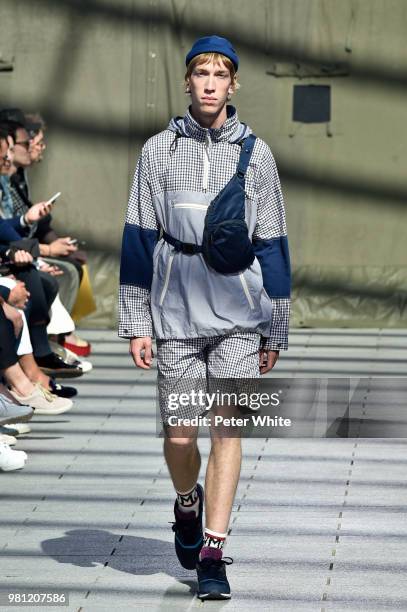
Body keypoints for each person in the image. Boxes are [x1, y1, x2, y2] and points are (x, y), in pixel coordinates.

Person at [119, 35, 291, 600]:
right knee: (178, 434)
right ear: (188, 81)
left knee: (228, 429)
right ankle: (186, 503)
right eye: (201, 73)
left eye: (221, 74)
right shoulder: (157, 151)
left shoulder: (256, 152)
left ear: (233, 84)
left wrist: (276, 322)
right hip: (175, 306)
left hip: (240, 307)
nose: (211, 83)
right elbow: (140, 236)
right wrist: (136, 320)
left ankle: (213, 551)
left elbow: (272, 239)